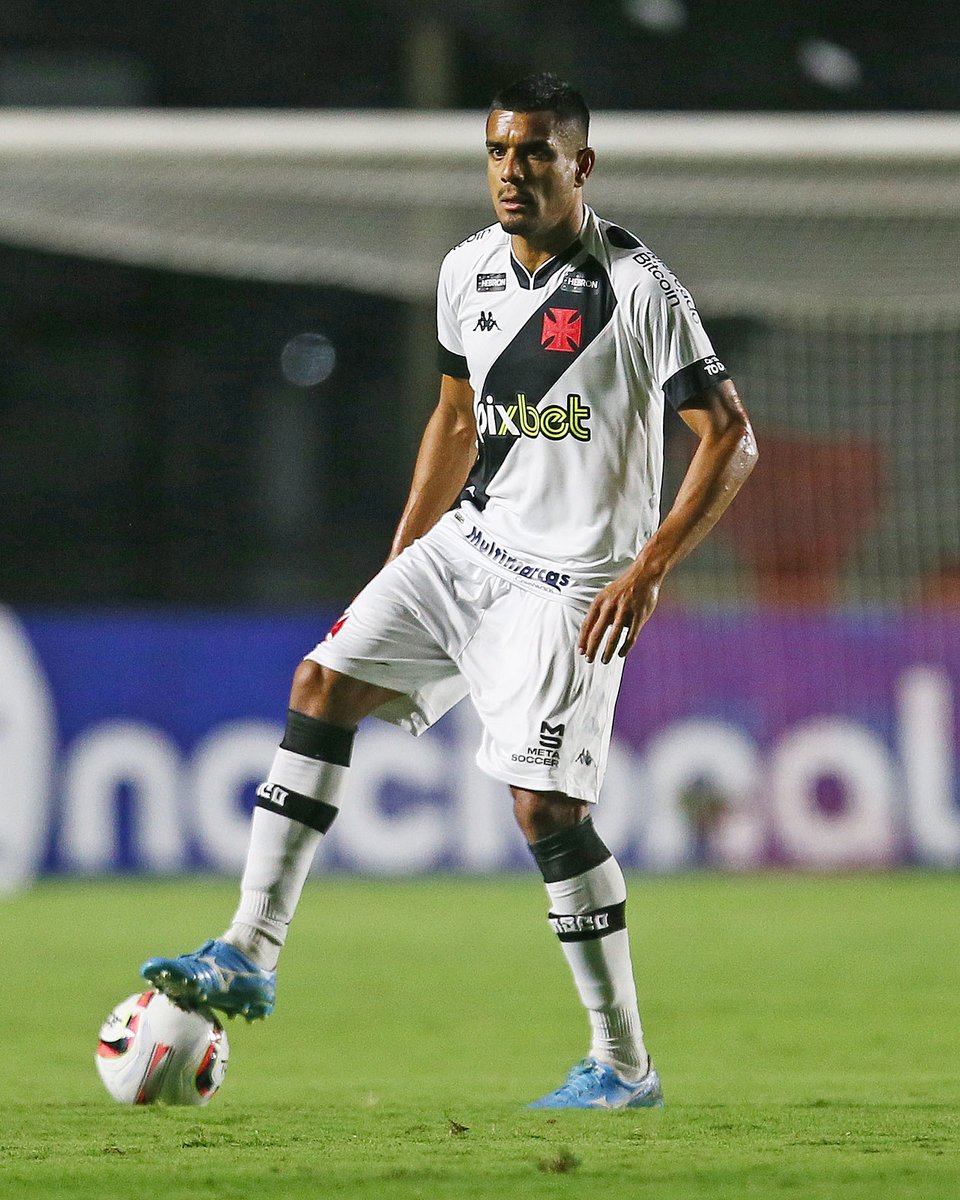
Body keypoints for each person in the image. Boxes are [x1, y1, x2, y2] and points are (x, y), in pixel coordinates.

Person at [142, 72, 758, 1110]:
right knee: (320, 682)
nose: (512, 171)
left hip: (573, 586)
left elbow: (730, 438)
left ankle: (623, 1065)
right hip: (469, 548)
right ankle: (249, 949)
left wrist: (648, 569)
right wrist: (404, 551)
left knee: (546, 810)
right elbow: (456, 419)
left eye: (535, 153)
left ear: (581, 165)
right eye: (498, 151)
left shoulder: (638, 291)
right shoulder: (464, 271)